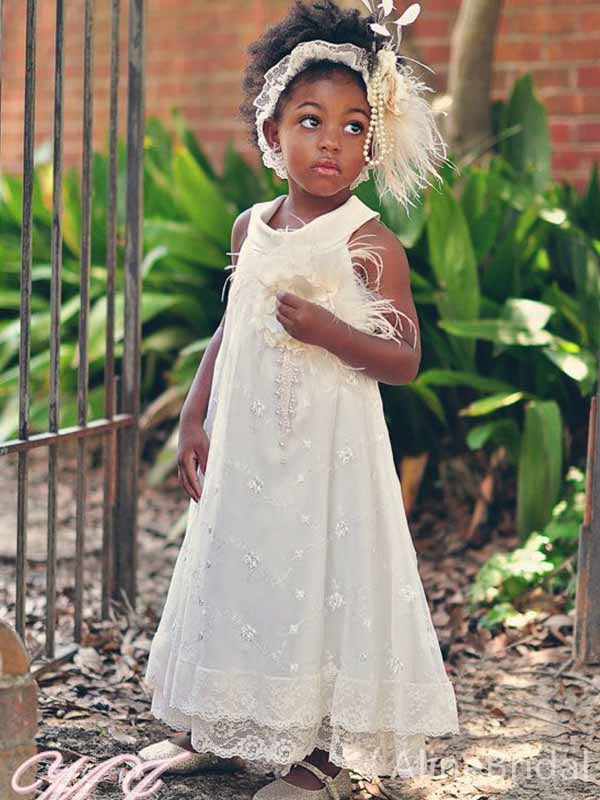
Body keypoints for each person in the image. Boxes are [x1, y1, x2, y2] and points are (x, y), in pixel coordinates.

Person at [139, 2, 460, 797]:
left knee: (317, 581)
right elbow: (231, 328)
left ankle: (317, 755)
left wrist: (328, 330)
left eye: (354, 128)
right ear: (271, 131)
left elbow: (405, 359)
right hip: (251, 452)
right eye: (311, 120)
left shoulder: (367, 240)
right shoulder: (254, 227)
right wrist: (192, 414)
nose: (331, 142)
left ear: (371, 144)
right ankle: (228, 723)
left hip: (326, 460)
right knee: (245, 570)